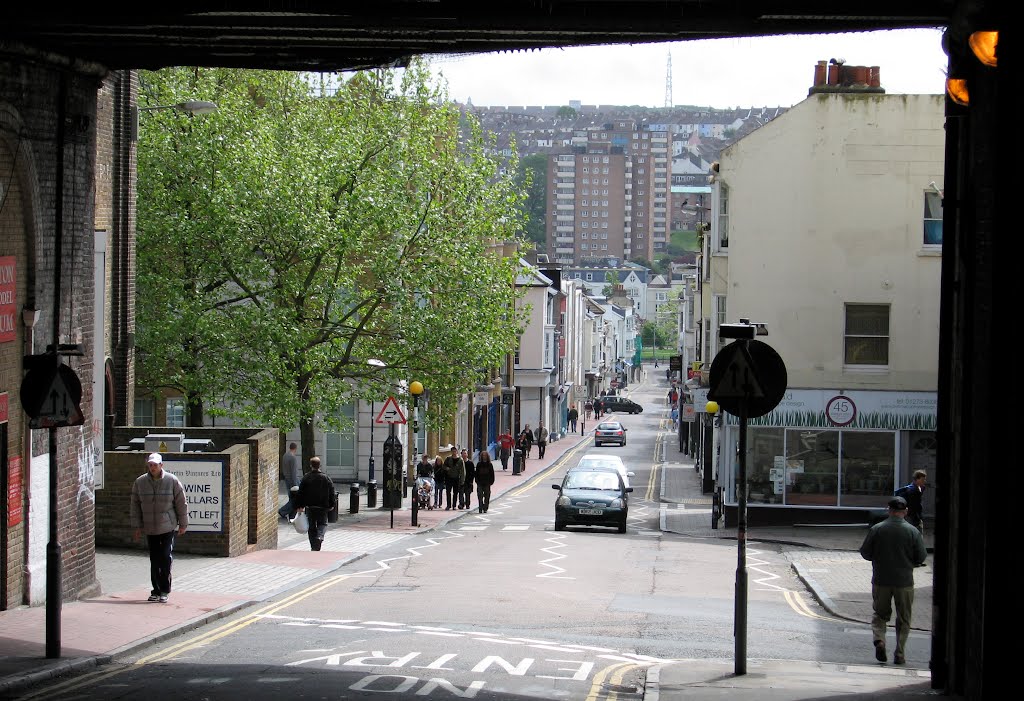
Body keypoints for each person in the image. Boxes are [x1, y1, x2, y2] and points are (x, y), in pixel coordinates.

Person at [859, 495, 927, 665]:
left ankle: (880, 640)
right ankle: (900, 652)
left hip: (881, 579)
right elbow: (921, 557)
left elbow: (865, 553)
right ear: (906, 511)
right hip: (904, 581)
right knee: (904, 618)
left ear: (889, 510)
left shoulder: (877, 529)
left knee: (880, 614)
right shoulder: (913, 531)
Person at [130, 452, 188, 603]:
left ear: (161, 465)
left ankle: (164, 590)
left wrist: (183, 524)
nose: (153, 468)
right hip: (150, 527)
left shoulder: (172, 481)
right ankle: (155, 590)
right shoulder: (140, 482)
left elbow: (181, 503)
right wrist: (137, 527)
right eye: (150, 465)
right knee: (154, 560)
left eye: (155, 465)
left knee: (165, 558)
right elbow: (135, 505)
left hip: (167, 526)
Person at [294, 456, 337, 551]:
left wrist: (299, 506)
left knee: (311, 526)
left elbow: (300, 493)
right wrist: (332, 504)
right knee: (323, 524)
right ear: (319, 465)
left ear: (311, 465)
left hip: (310, 506)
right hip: (323, 506)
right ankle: (320, 537)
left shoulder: (306, 477)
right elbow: (332, 492)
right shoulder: (326, 478)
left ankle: (314, 546)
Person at [278, 441, 301, 521]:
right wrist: (296, 484)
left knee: (292, 498)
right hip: (292, 480)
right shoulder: (292, 458)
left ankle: (291, 514)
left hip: (287, 479)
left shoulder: (285, 455)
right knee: (296, 499)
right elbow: (293, 472)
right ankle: (282, 511)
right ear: (295, 448)